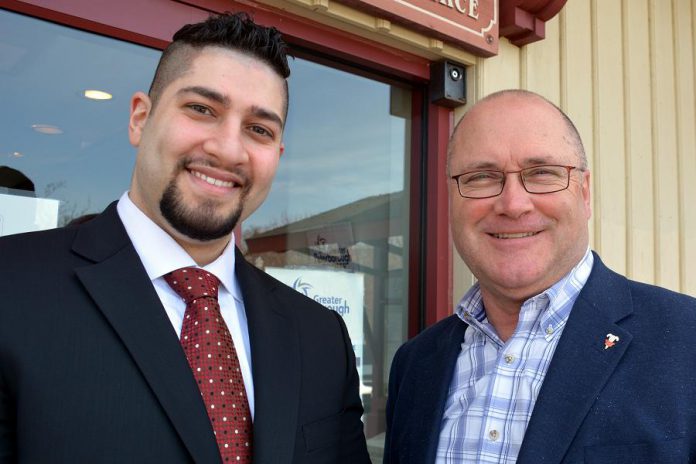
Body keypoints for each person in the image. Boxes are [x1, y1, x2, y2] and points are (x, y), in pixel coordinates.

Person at [0, 13, 370, 464]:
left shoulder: (320, 337)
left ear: (277, 154)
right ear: (140, 118)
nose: (228, 149)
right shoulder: (11, 288)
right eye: (202, 109)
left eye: (259, 129)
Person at [383, 89, 696, 463]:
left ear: (585, 192)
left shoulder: (686, 342)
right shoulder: (415, 365)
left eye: (542, 173)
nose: (513, 204)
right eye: (482, 176)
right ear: (451, 198)